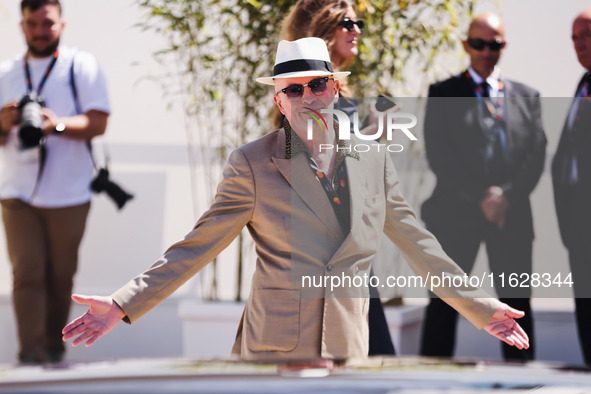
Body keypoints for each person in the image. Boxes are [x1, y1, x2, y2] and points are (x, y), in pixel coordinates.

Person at [63, 37, 528, 364]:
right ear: (280, 103)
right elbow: (195, 247)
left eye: (318, 85)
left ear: (336, 90)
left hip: (348, 350)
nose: (308, 97)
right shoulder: (251, 163)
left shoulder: (372, 160)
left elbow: (420, 246)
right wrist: (124, 303)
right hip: (274, 353)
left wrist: (482, 308)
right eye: (293, 89)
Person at [419, 13, 546, 362]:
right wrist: (482, 198)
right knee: (446, 303)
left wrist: (506, 197)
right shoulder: (443, 93)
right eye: (479, 43)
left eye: (495, 44)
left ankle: (522, 382)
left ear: (504, 46)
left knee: (518, 305)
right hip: (456, 216)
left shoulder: (527, 96)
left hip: (513, 217)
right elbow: (440, 155)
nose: (486, 51)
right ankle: (431, 378)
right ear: (466, 45)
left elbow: (535, 156)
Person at [279, 0, 396, 356]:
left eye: (358, 22)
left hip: (341, 249)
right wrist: (374, 135)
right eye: (348, 23)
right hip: (333, 252)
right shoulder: (318, 99)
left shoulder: (320, 95)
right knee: (370, 357)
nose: (357, 30)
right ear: (324, 29)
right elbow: (320, 172)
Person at [0, 0, 110, 364]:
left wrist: (55, 124)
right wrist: (5, 121)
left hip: (70, 192)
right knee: (27, 272)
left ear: (61, 24)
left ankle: (53, 349)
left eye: (47, 23)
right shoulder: (6, 73)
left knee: (61, 277)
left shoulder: (80, 66)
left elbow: (97, 122)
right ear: (22, 26)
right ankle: (29, 357)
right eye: (32, 23)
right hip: (18, 192)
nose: (40, 30)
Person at [551, 7, 591, 366]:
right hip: (579, 228)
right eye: (575, 37)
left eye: (587, 34)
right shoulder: (584, 84)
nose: (580, 44)